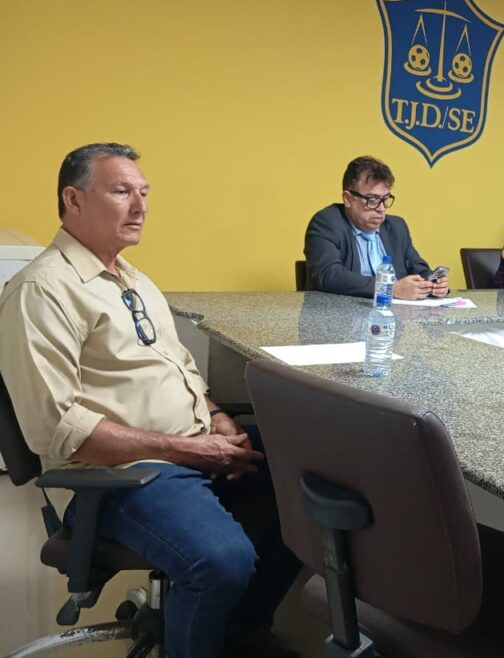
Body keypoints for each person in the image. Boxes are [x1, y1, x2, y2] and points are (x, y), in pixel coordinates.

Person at [0, 144, 301, 658]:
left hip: (191, 447)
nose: (141, 206)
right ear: (73, 199)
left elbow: (181, 367)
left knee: (315, 482)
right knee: (220, 561)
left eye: (143, 192)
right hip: (124, 472)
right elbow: (60, 429)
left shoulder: (133, 279)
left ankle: (239, 629)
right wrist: (191, 451)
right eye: (122, 191)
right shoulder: (42, 290)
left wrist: (218, 419)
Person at [304, 155, 449, 300]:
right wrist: (389, 289)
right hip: (341, 312)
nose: (381, 208)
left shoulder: (396, 227)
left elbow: (417, 266)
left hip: (394, 312)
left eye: (385, 199)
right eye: (372, 200)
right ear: (348, 199)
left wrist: (433, 283)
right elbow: (329, 275)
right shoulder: (326, 223)